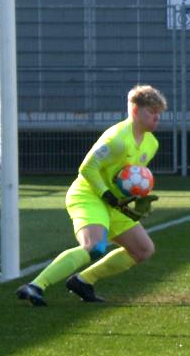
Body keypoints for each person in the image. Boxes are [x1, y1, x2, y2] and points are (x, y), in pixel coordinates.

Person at [15, 85, 166, 306]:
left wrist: (136, 197)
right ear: (135, 110)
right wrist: (107, 195)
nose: (156, 118)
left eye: (158, 113)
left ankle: (83, 281)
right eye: (151, 112)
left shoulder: (151, 143)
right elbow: (87, 168)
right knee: (94, 246)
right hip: (88, 196)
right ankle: (35, 285)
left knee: (143, 250)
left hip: (111, 201)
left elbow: (125, 176)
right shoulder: (116, 139)